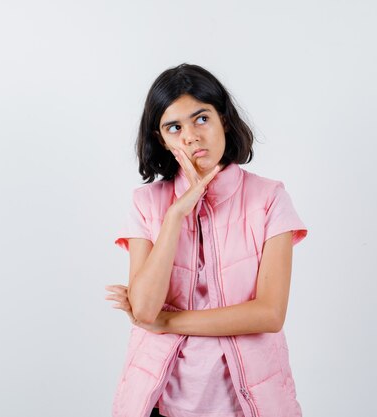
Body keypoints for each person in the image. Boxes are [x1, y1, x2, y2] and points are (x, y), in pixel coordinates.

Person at [105, 63, 308, 417]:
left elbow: (270, 314)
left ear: (223, 121)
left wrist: (166, 322)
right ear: (162, 139)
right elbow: (144, 309)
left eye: (202, 119)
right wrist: (174, 217)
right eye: (174, 127)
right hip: (158, 404)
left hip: (250, 405)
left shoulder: (269, 198)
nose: (191, 136)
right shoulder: (147, 204)